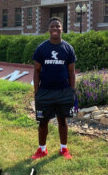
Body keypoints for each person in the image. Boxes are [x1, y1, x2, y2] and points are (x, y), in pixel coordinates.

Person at [30, 17, 77, 160]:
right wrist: (37, 92)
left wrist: (72, 91)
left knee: (62, 121)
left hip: (63, 91)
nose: (55, 28)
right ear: (48, 29)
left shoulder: (68, 49)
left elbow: (71, 72)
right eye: (52, 26)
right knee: (43, 122)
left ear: (62, 29)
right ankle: (42, 150)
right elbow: (36, 71)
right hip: (45, 91)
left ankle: (64, 149)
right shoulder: (41, 48)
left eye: (58, 26)